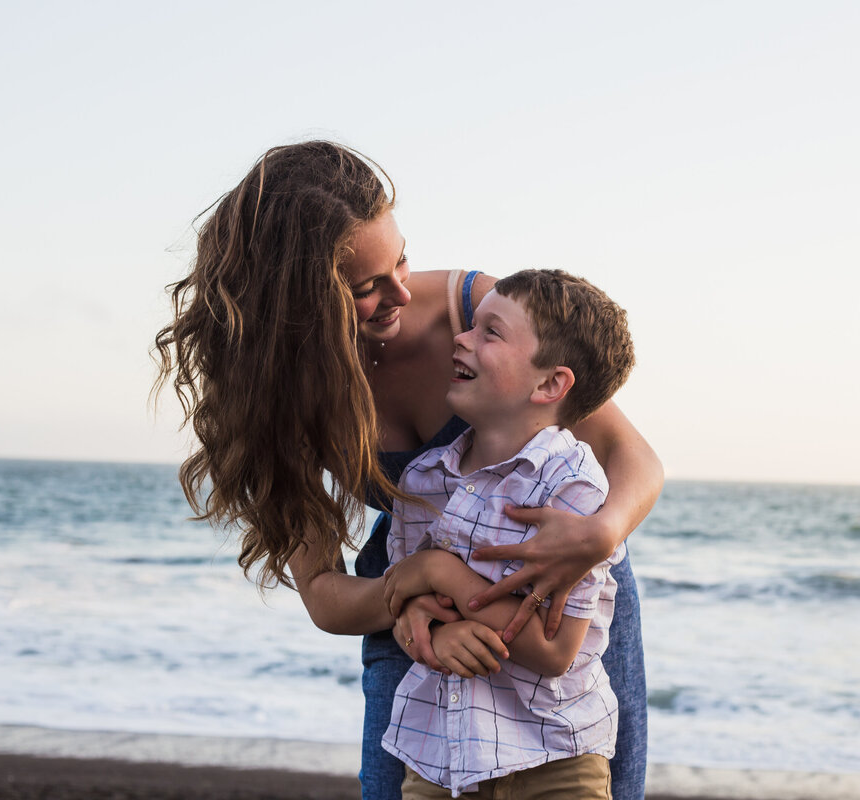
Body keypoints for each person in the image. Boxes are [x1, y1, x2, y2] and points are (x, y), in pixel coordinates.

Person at [152, 141, 662, 800]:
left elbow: (633, 456)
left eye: (403, 261)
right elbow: (324, 594)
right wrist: (410, 594)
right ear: (299, 304)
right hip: (411, 618)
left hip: (553, 599)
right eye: (366, 287)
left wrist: (601, 532)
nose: (401, 291)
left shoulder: (476, 313)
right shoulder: (284, 398)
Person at [380, 269, 634, 799]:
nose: (461, 338)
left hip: (555, 756)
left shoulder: (575, 490)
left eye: (489, 333)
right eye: (472, 326)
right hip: (438, 756)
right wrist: (433, 633)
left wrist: (443, 572)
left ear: (549, 385)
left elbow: (554, 648)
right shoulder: (422, 482)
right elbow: (405, 602)